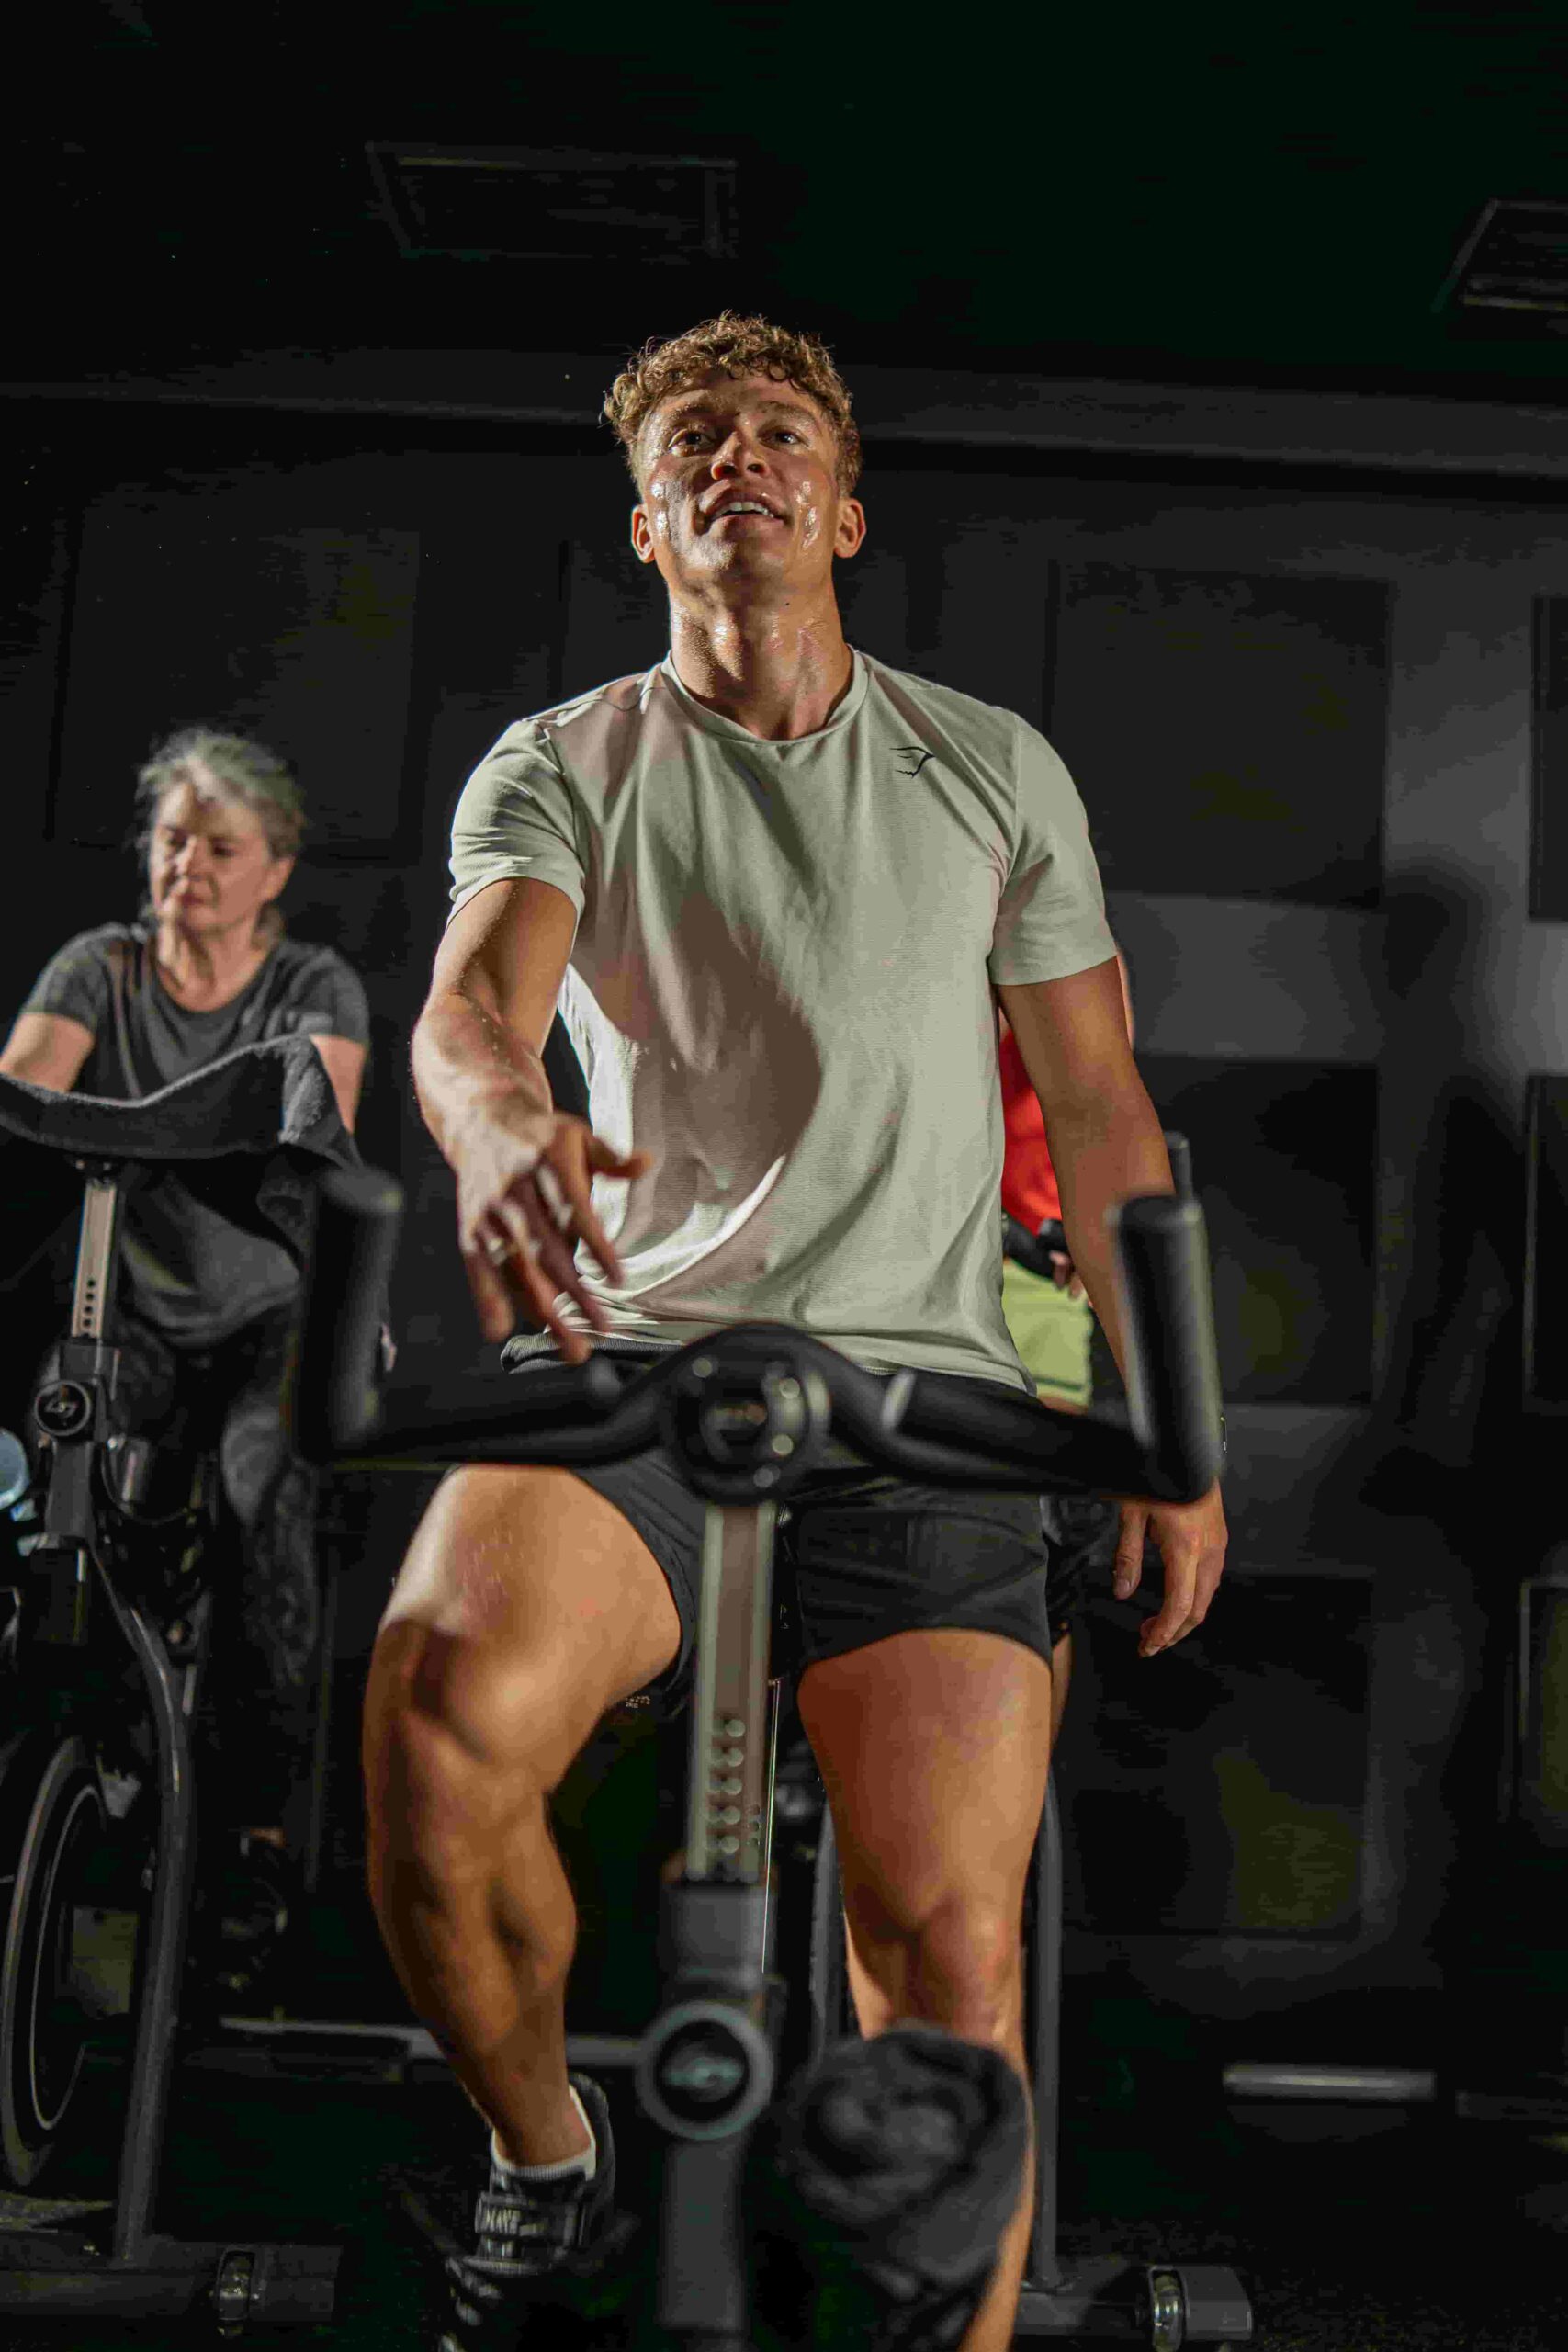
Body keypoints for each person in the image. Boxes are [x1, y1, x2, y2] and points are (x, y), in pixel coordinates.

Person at [365, 312, 1229, 2352]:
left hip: (930, 1395)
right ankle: (545, 2166)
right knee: (435, 1730)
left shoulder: (987, 766)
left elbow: (1102, 1105)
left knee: (947, 1953)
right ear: (643, 522)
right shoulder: (563, 761)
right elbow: (472, 1011)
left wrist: (1168, 1426)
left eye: (776, 431)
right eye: (691, 437)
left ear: (841, 508)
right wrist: (493, 1125)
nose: (732, 455)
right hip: (638, 1364)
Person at [0, 727, 371, 1957]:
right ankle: (74, 1735)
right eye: (172, 842)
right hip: (134, 1310)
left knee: (264, 1492)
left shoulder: (311, 983)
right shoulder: (98, 969)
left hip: (269, 1317)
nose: (189, 868)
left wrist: (140, 1127)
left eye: (220, 848)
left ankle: (255, 1832)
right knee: (63, 1451)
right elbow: (27, 1102)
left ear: (275, 870)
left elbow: (303, 1134)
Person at [999, 956, 1134, 1748]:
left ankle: (1015, 1805)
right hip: (857, 1277)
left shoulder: (1061, 940)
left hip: (1024, 1288)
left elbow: (1100, 1112)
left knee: (1033, 1558)